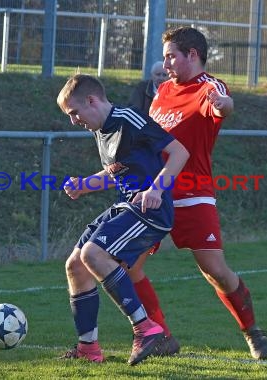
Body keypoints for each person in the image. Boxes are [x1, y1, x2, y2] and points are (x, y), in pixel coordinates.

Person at [129, 26, 267, 360]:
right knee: (129, 265)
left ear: (192, 55)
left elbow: (223, 106)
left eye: (170, 56)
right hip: (157, 193)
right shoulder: (163, 90)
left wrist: (224, 105)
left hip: (193, 194)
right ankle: (160, 336)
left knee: (215, 271)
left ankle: (252, 331)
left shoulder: (209, 86)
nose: (165, 64)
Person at [56, 74, 190, 365]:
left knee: (94, 254)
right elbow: (117, 171)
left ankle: (146, 329)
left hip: (150, 210)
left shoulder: (129, 118)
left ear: (91, 100)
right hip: (126, 206)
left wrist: (157, 188)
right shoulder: (100, 129)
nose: (73, 121)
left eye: (74, 113)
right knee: (76, 265)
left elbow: (179, 152)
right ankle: (88, 348)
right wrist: (84, 185)